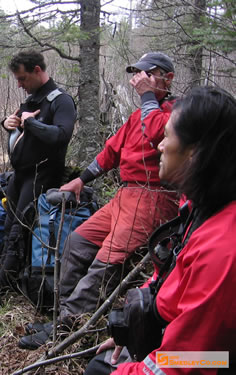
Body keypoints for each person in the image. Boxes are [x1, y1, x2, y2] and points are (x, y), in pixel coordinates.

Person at [19, 52, 179, 349]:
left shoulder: (179, 112)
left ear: (167, 78)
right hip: (125, 195)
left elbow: (158, 131)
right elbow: (110, 153)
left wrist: (147, 97)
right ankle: (62, 315)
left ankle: (69, 329)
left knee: (106, 260)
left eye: (149, 74)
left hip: (152, 197)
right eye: (139, 75)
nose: (141, 81)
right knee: (77, 243)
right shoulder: (136, 116)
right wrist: (81, 179)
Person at [85, 86, 236, 375]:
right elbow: (169, 275)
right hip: (182, 345)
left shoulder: (223, 249)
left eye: (167, 136)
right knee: (99, 364)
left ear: (195, 152)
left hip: (210, 362)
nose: (159, 146)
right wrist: (132, 330)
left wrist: (131, 370)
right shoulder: (198, 207)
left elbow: (196, 361)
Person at [0, 50, 77, 313]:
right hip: (20, 176)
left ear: (38, 70)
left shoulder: (62, 101)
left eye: (23, 78)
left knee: (18, 232)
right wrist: (8, 123)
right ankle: (1, 278)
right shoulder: (31, 100)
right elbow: (21, 131)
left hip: (43, 176)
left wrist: (31, 124)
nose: (19, 84)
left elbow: (61, 136)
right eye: (17, 79)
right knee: (8, 227)